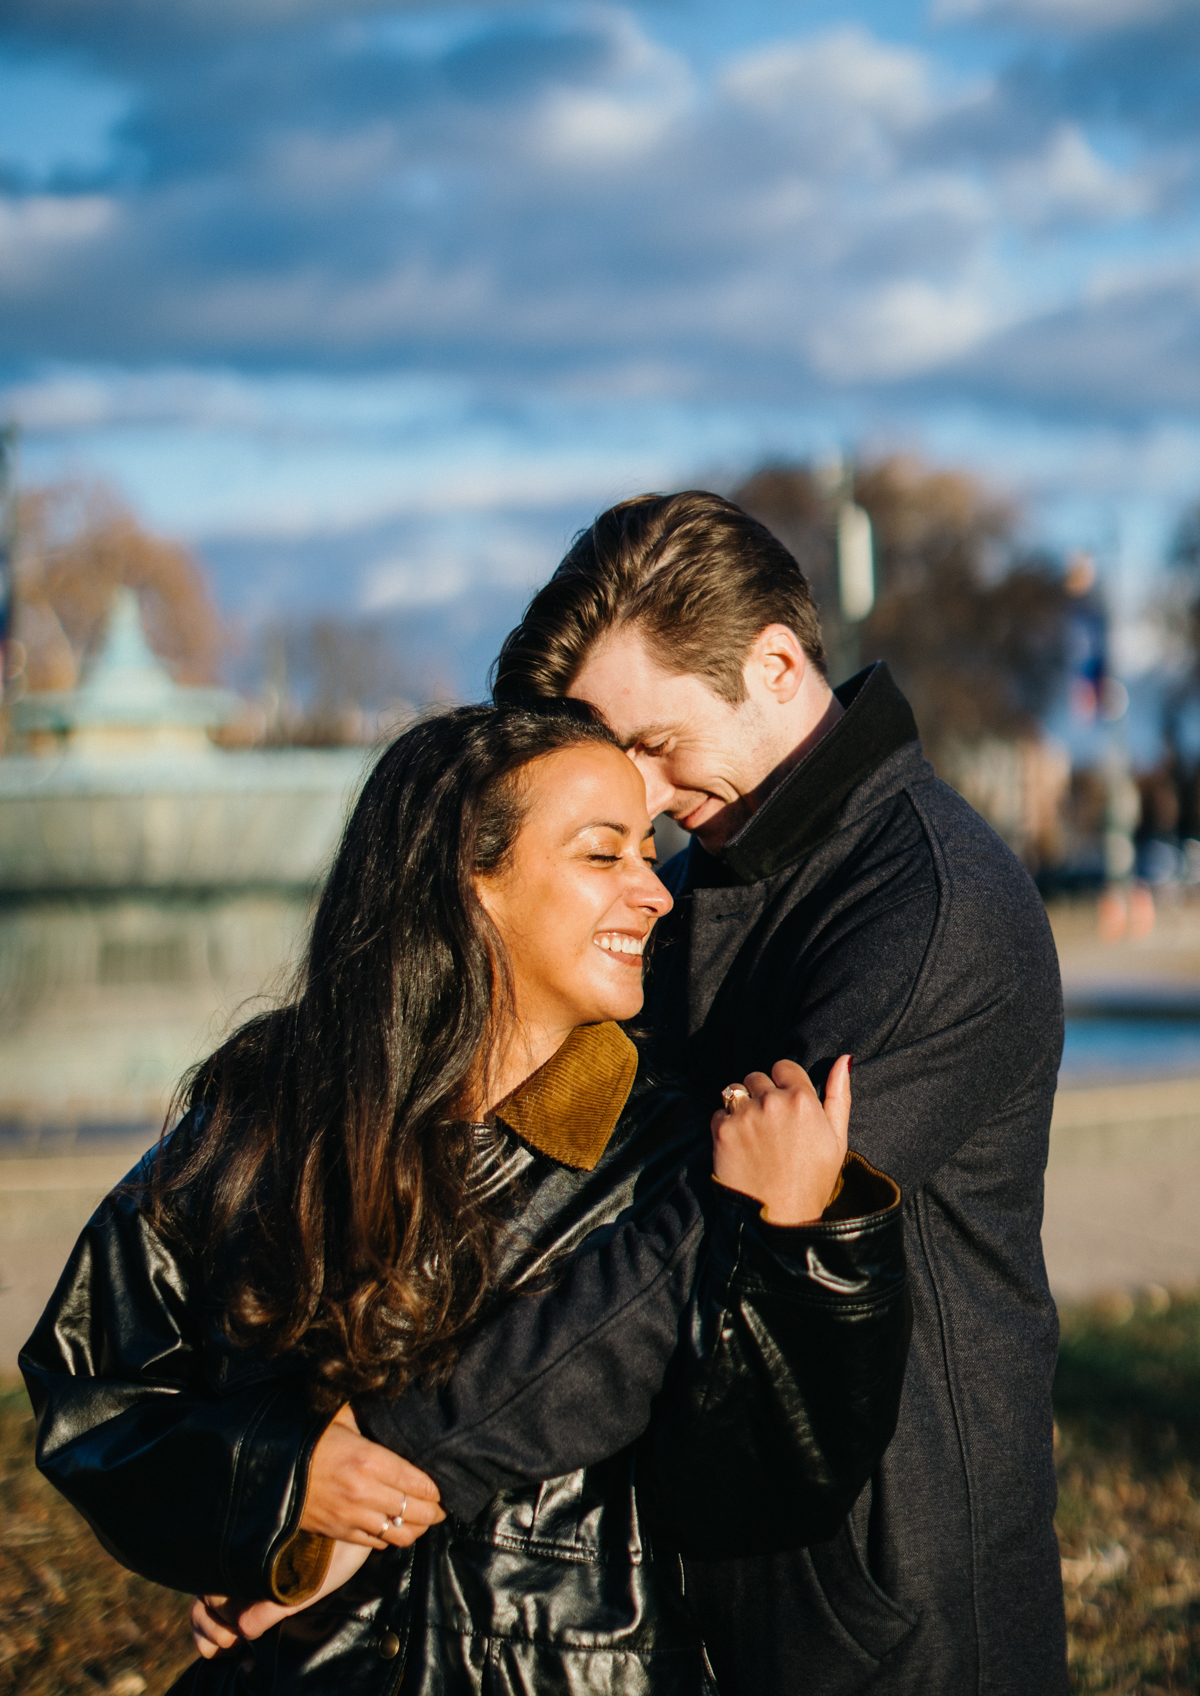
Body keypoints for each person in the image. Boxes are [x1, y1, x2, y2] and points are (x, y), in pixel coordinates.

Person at [22, 701, 907, 1696]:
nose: (656, 893)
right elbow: (89, 1391)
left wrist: (805, 1244)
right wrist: (276, 1476)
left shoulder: (685, 1159)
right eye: (602, 854)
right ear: (466, 879)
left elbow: (764, 1497)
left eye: (647, 852)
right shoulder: (263, 1115)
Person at [485, 491, 1069, 1696]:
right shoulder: (706, 884)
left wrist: (403, 1464)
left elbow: (677, 1256)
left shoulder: (928, 909)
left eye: (657, 744)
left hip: (892, 1605)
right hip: (737, 1580)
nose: (646, 796)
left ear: (777, 665)